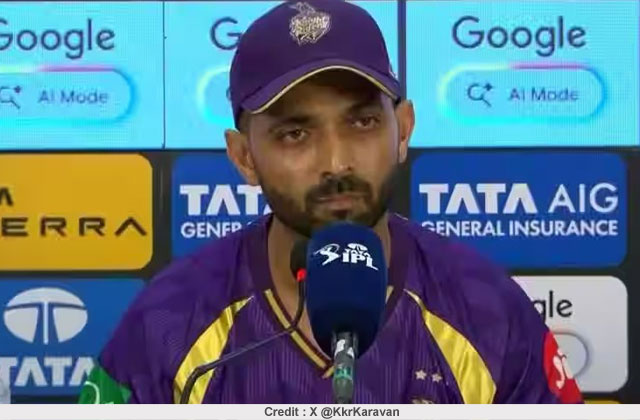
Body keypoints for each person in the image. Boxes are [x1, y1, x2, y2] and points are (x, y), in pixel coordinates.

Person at [78, 0, 582, 404]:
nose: (336, 162)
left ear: (403, 130)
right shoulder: (167, 324)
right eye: (295, 133)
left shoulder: (488, 313)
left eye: (362, 122)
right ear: (244, 157)